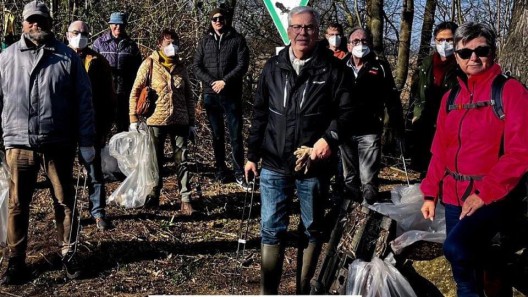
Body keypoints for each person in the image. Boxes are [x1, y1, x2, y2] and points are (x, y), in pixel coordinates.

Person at [244, 6, 353, 294]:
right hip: (274, 163)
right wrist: (251, 155)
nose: (303, 33)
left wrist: (329, 139)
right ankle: (270, 292)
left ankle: (302, 290)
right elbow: (259, 114)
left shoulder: (334, 70)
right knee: (270, 228)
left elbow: (347, 113)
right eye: (297, 27)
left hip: (313, 167)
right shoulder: (273, 67)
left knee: (312, 228)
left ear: (318, 32)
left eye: (309, 28)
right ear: (288, 30)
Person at [420, 22, 528, 297]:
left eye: (481, 50)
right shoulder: (450, 97)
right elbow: (440, 150)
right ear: (455, 57)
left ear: (492, 53)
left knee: (469, 256)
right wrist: (430, 193)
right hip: (454, 197)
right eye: (465, 53)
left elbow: (520, 152)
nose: (473, 58)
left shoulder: (510, 91)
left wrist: (484, 193)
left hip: (493, 198)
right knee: (463, 272)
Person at [0, 0, 95, 284]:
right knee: (17, 204)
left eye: (41, 19)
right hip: (18, 143)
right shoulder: (6, 59)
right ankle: (16, 260)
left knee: (65, 200)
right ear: (23, 22)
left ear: (50, 23)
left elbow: (84, 102)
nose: (36, 24)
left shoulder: (67, 58)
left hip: (58, 143)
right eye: (31, 20)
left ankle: (69, 253)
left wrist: (87, 141)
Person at [129, 29, 196, 214]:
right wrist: (133, 119)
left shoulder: (181, 67)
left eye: (175, 42)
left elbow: (189, 96)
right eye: (168, 43)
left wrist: (192, 122)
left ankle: (185, 198)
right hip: (155, 120)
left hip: (180, 120)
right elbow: (135, 91)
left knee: (182, 160)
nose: (172, 46)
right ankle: (154, 194)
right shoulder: (149, 64)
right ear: (160, 45)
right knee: (155, 160)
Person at [340, 27, 404, 204]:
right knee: (348, 177)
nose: (360, 45)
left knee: (368, 179)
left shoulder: (380, 67)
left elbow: (392, 98)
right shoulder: (339, 68)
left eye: (364, 41)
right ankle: (349, 215)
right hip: (345, 131)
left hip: (369, 129)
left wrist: (398, 125)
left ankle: (370, 211)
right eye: (356, 42)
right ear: (349, 46)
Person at [65, 20, 115, 231]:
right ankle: (69, 214)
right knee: (64, 176)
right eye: (76, 32)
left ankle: (98, 212)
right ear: (68, 34)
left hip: (91, 126)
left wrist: (103, 130)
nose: (80, 36)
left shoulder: (99, 62)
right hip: (63, 126)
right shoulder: (57, 57)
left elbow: (108, 100)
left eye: (85, 33)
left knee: (94, 173)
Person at [192, 8, 250, 189]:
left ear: (226, 20)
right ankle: (220, 170)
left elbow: (243, 64)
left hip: (231, 93)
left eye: (221, 18)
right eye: (215, 19)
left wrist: (225, 81)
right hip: (211, 95)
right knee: (217, 135)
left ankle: (239, 172)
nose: (218, 21)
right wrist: (212, 83)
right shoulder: (204, 41)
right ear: (211, 21)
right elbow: (197, 66)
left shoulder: (237, 39)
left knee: (235, 136)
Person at [410, 21, 459, 177]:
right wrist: (416, 113)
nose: (444, 44)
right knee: (426, 165)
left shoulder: (463, 65)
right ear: (435, 41)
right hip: (427, 120)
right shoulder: (427, 63)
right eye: (440, 40)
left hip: (451, 121)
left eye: (449, 40)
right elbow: (417, 92)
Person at [92, 11, 142, 133]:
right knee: (101, 127)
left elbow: (138, 71)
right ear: (110, 25)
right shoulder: (99, 44)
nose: (118, 27)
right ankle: (99, 151)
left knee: (123, 129)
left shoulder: (132, 46)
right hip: (103, 94)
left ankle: (123, 152)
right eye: (115, 24)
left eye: (121, 24)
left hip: (124, 94)